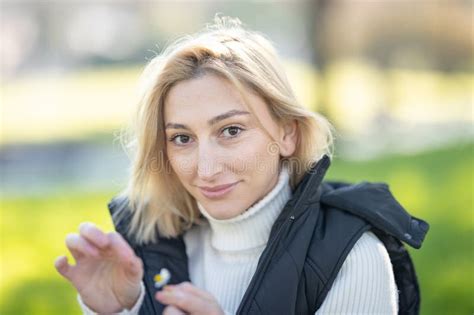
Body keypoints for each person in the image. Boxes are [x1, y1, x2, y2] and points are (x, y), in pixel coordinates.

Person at [54, 16, 429, 315]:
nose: (206, 169)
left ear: (288, 134)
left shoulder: (352, 258)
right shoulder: (147, 251)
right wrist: (123, 310)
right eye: (182, 138)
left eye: (230, 130)